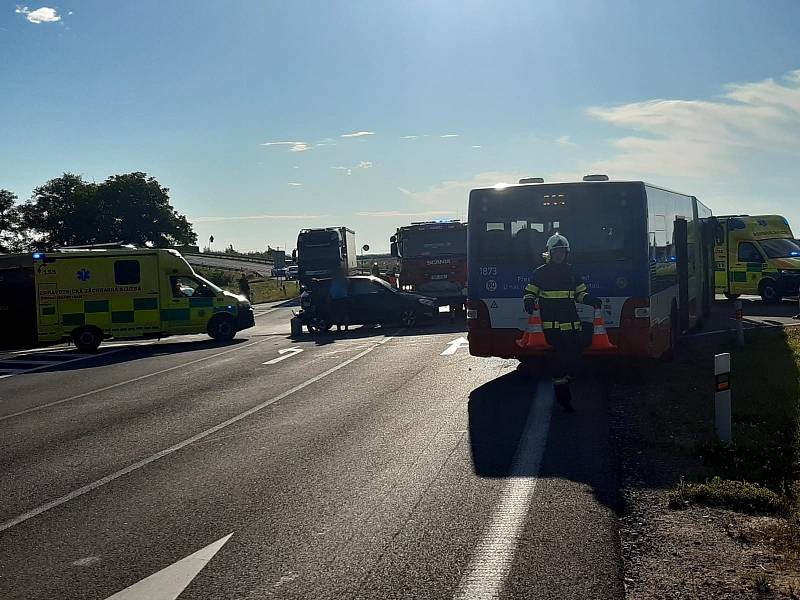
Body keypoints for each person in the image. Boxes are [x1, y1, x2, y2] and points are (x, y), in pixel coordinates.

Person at [522, 233, 602, 412]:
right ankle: (563, 398)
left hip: (572, 326)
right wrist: (528, 301)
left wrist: (591, 300)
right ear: (550, 253)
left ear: (566, 253)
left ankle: (564, 387)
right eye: (556, 252)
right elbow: (530, 292)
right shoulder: (540, 273)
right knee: (557, 366)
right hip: (551, 330)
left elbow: (580, 294)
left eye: (562, 252)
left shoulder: (572, 272)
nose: (559, 255)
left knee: (575, 363)